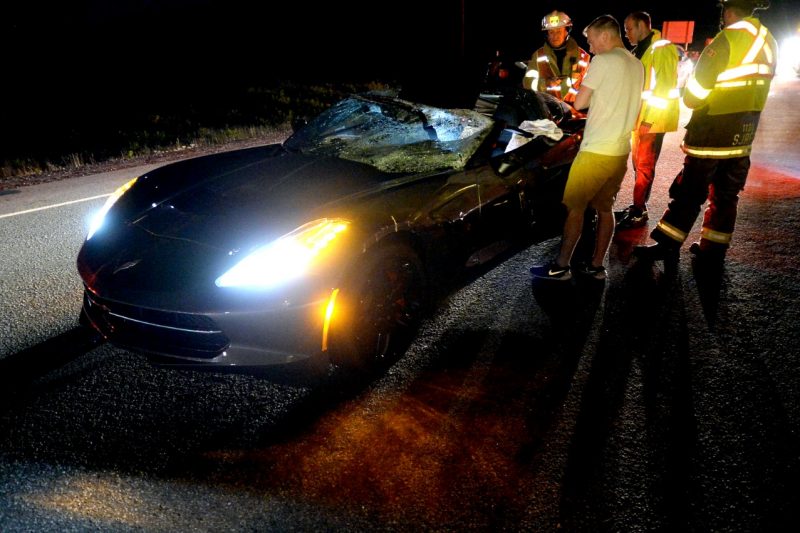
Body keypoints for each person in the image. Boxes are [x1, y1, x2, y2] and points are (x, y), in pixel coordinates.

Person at [633, 0, 777, 267]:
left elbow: (695, 93)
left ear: (728, 10)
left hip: (712, 133)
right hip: (744, 135)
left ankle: (667, 244)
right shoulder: (769, 40)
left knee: (689, 192)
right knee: (726, 195)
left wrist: (690, 96)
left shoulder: (728, 39)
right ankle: (713, 249)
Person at [530, 15, 643, 281]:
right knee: (605, 209)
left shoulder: (603, 61)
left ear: (605, 36)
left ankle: (561, 266)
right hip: (619, 150)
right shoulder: (637, 64)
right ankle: (596, 266)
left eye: (592, 41)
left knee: (575, 208)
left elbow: (580, 103)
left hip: (595, 151)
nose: (590, 48)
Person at [616, 11, 681, 229]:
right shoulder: (640, 50)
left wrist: (650, 121)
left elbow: (664, 89)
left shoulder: (661, 48)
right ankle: (637, 206)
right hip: (640, 120)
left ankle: (638, 210)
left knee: (644, 167)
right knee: (639, 166)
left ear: (642, 25)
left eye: (629, 28)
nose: (626, 34)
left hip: (651, 121)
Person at [523, 10, 591, 104]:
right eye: (551, 32)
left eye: (559, 31)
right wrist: (545, 83)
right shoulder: (538, 56)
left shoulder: (583, 57)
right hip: (548, 114)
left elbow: (592, 88)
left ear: (566, 32)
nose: (555, 36)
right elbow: (527, 83)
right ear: (547, 34)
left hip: (577, 114)